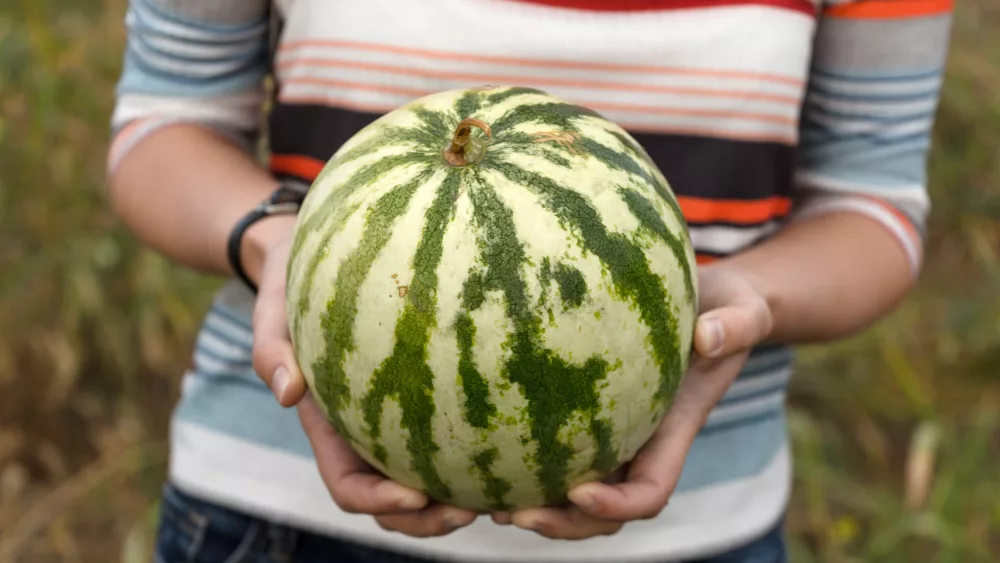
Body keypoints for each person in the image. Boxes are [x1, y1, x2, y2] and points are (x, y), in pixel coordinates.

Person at [105, 0, 954, 561]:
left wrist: (747, 303)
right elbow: (162, 122)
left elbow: (871, 205)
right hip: (274, 514)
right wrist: (276, 241)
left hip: (700, 533)